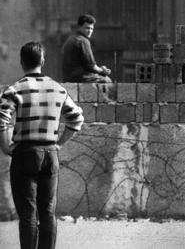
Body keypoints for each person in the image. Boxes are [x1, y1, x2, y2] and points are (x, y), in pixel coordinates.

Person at [0, 42, 84, 249]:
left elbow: (2, 118)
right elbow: (76, 119)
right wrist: (59, 144)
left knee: (28, 214)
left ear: (22, 62)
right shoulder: (58, 89)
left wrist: (5, 146)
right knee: (47, 212)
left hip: (24, 154)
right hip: (50, 155)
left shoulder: (14, 89)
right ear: (43, 61)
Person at [61, 14, 112, 83]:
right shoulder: (83, 41)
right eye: (87, 28)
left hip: (67, 78)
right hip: (79, 78)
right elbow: (91, 66)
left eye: (92, 29)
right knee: (107, 80)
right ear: (79, 27)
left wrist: (100, 69)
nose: (90, 31)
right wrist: (102, 70)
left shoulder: (71, 39)